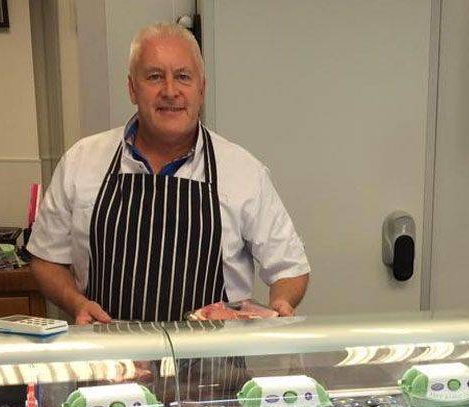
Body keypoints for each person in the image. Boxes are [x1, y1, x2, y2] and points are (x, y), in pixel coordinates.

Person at [27, 22, 310, 324]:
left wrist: (279, 304)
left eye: (183, 77)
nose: (170, 91)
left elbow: (290, 268)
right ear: (132, 88)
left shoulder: (244, 171)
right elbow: (46, 259)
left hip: (215, 365)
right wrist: (76, 303)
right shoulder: (81, 161)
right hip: (112, 363)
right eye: (155, 77)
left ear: (202, 89)